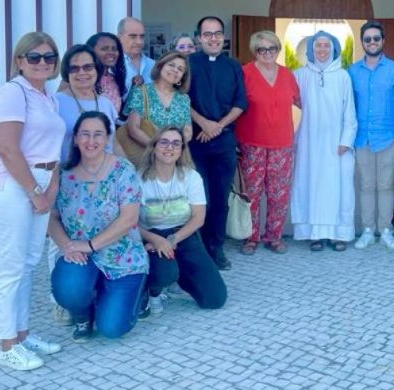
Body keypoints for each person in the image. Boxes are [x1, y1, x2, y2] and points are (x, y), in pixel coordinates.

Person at [0, 32, 66, 370]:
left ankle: (23, 334)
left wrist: (50, 187)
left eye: (49, 56)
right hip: (10, 185)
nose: (42, 62)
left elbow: (51, 149)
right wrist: (34, 192)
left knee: (28, 263)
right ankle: (6, 344)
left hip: (39, 182)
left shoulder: (48, 96)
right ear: (19, 61)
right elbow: (10, 150)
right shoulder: (12, 93)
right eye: (34, 57)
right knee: (10, 266)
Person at [49, 111, 148, 342]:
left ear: (107, 139)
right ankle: (83, 314)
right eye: (85, 134)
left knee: (111, 329)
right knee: (69, 289)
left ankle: (130, 293)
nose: (91, 141)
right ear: (75, 138)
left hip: (123, 257)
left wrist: (90, 245)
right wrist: (67, 246)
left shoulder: (123, 170)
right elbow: (51, 217)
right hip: (80, 255)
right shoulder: (62, 173)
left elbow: (129, 219)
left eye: (97, 135)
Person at [137, 128, 227, 316]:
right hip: (150, 237)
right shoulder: (138, 179)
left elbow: (198, 218)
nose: (169, 147)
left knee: (215, 299)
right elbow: (129, 222)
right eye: (164, 142)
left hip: (183, 234)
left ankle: (180, 276)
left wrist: (172, 239)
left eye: (176, 143)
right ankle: (152, 291)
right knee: (165, 272)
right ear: (154, 147)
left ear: (181, 150)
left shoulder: (191, 177)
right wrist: (155, 239)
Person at [187, 16, 247, 270]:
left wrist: (217, 126)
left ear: (223, 37)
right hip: (194, 141)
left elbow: (240, 103)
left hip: (223, 141)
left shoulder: (234, 66)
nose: (213, 38)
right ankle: (197, 248)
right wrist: (204, 123)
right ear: (199, 38)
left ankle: (216, 247)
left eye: (217, 33)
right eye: (207, 34)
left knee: (221, 197)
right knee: (199, 197)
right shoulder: (188, 64)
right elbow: (180, 99)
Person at [290, 31, 358, 251]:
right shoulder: (300, 75)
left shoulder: (343, 76)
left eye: (326, 46)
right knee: (309, 185)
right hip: (309, 142)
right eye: (318, 46)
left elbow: (350, 111)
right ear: (311, 49)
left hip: (336, 144)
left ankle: (339, 234)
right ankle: (315, 234)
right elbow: (290, 107)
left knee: (339, 188)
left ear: (333, 49)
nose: (322, 50)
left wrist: (346, 140)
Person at [235, 30, 300, 255]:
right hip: (251, 142)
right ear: (255, 51)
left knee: (279, 193)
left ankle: (274, 236)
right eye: (262, 49)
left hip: (282, 143)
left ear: (278, 49)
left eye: (272, 48)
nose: (267, 53)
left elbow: (302, 103)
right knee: (251, 193)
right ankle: (250, 237)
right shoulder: (244, 73)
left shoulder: (288, 75)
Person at [349, 21, 394, 251]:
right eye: (367, 39)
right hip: (361, 137)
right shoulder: (351, 72)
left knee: (385, 185)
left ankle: (386, 230)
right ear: (362, 42)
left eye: (376, 38)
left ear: (383, 41)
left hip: (388, 136)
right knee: (365, 185)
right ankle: (368, 230)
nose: (372, 42)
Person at [54, 44, 124, 162]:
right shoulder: (55, 102)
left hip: (106, 175)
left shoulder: (106, 103)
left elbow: (115, 144)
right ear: (67, 72)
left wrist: (130, 170)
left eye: (88, 67)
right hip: (67, 175)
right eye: (74, 68)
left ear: (97, 69)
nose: (82, 72)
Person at [122, 51, 193, 162]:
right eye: (171, 65)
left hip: (173, 159)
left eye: (180, 69)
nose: (175, 70)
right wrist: (158, 148)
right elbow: (133, 128)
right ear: (160, 66)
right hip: (146, 157)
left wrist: (172, 149)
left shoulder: (183, 98)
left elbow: (188, 132)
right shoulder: (141, 91)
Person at [85, 31, 127, 114]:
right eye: (104, 49)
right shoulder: (80, 78)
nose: (111, 52)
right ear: (91, 51)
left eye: (114, 49)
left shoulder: (115, 79)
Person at [118, 16, 153, 92]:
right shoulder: (112, 66)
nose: (139, 42)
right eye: (133, 36)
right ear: (120, 37)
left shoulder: (153, 65)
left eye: (142, 36)